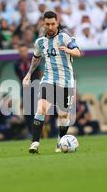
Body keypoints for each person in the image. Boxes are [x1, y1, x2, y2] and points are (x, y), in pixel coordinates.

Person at [22, 11, 82, 153]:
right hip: (48, 79)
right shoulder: (40, 42)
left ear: (57, 23)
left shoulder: (65, 37)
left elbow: (78, 52)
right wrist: (29, 74)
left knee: (63, 115)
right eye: (47, 24)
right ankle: (35, 143)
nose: (50, 27)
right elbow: (36, 58)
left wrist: (68, 50)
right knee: (41, 108)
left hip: (66, 82)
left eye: (53, 24)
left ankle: (60, 142)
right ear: (44, 24)